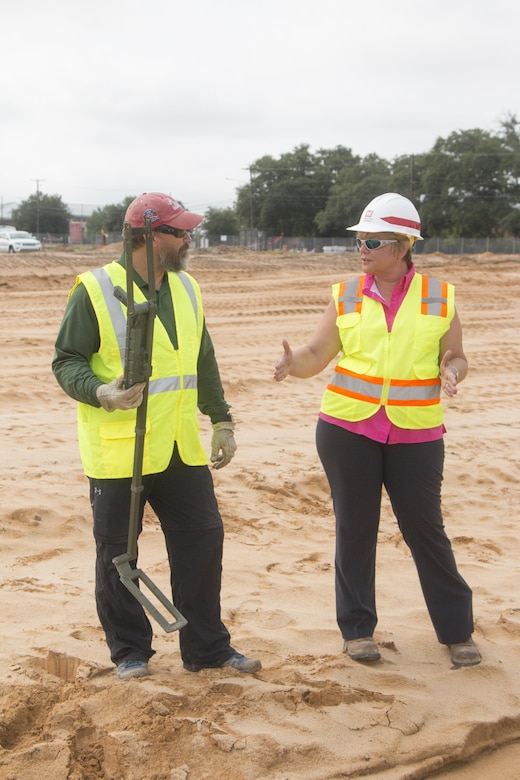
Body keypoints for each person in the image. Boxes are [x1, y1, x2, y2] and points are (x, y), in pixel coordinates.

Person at [52, 191, 261, 680]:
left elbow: (201, 358)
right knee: (118, 554)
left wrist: (221, 417)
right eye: (178, 231)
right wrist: (102, 391)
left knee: (203, 542)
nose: (188, 239)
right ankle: (129, 652)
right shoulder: (95, 289)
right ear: (145, 236)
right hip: (121, 450)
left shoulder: (187, 288)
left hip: (179, 445)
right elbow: (66, 361)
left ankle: (207, 648)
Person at [274, 192, 481, 668]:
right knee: (355, 527)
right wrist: (294, 364)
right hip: (347, 429)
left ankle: (456, 631)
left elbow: (459, 357)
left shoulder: (440, 297)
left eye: (372, 240)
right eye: (360, 239)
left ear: (404, 244)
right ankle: (357, 631)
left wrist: (454, 373)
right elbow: (316, 354)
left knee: (426, 530)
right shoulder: (346, 293)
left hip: (417, 432)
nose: (361, 249)